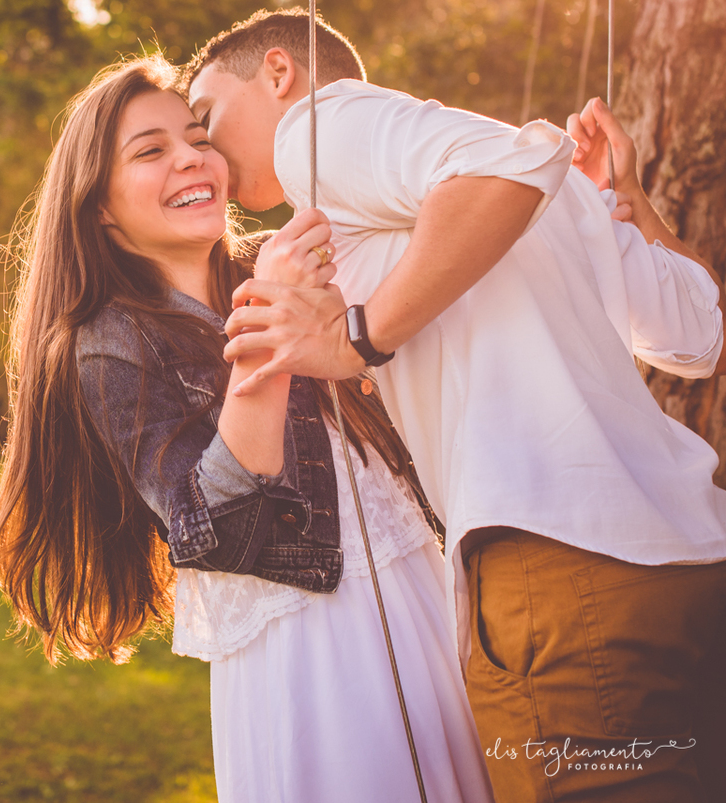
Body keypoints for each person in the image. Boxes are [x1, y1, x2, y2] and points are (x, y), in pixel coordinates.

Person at [184, 8, 726, 802]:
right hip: (688, 560)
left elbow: (506, 166)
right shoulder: (533, 185)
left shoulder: (317, 132)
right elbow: (700, 331)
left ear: (278, 73)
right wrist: (629, 203)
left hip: (562, 568)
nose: (203, 148)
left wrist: (359, 337)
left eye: (205, 117)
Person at [0, 55, 495, 801]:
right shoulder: (108, 341)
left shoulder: (284, 262)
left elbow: (434, 259)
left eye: (197, 137)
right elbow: (219, 523)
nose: (191, 157)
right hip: (309, 647)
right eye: (151, 151)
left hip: (419, 595)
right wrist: (269, 330)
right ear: (98, 206)